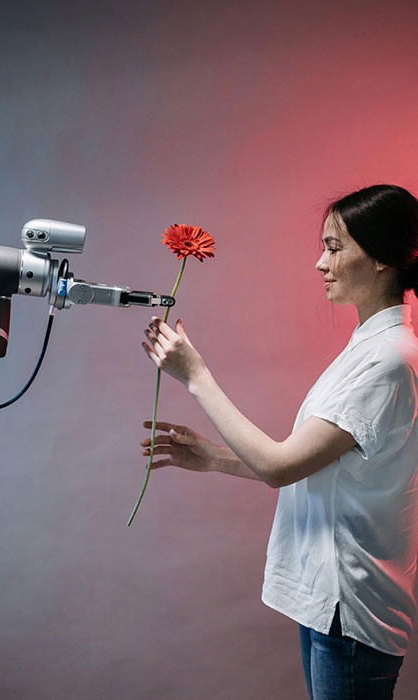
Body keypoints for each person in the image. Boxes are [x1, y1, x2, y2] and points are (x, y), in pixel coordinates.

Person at [140, 184, 418, 700]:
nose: (320, 262)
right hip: (326, 603)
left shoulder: (389, 360)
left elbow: (279, 467)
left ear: (381, 259)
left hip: (350, 611)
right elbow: (312, 464)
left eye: (334, 247)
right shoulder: (368, 349)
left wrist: (195, 375)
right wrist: (213, 458)